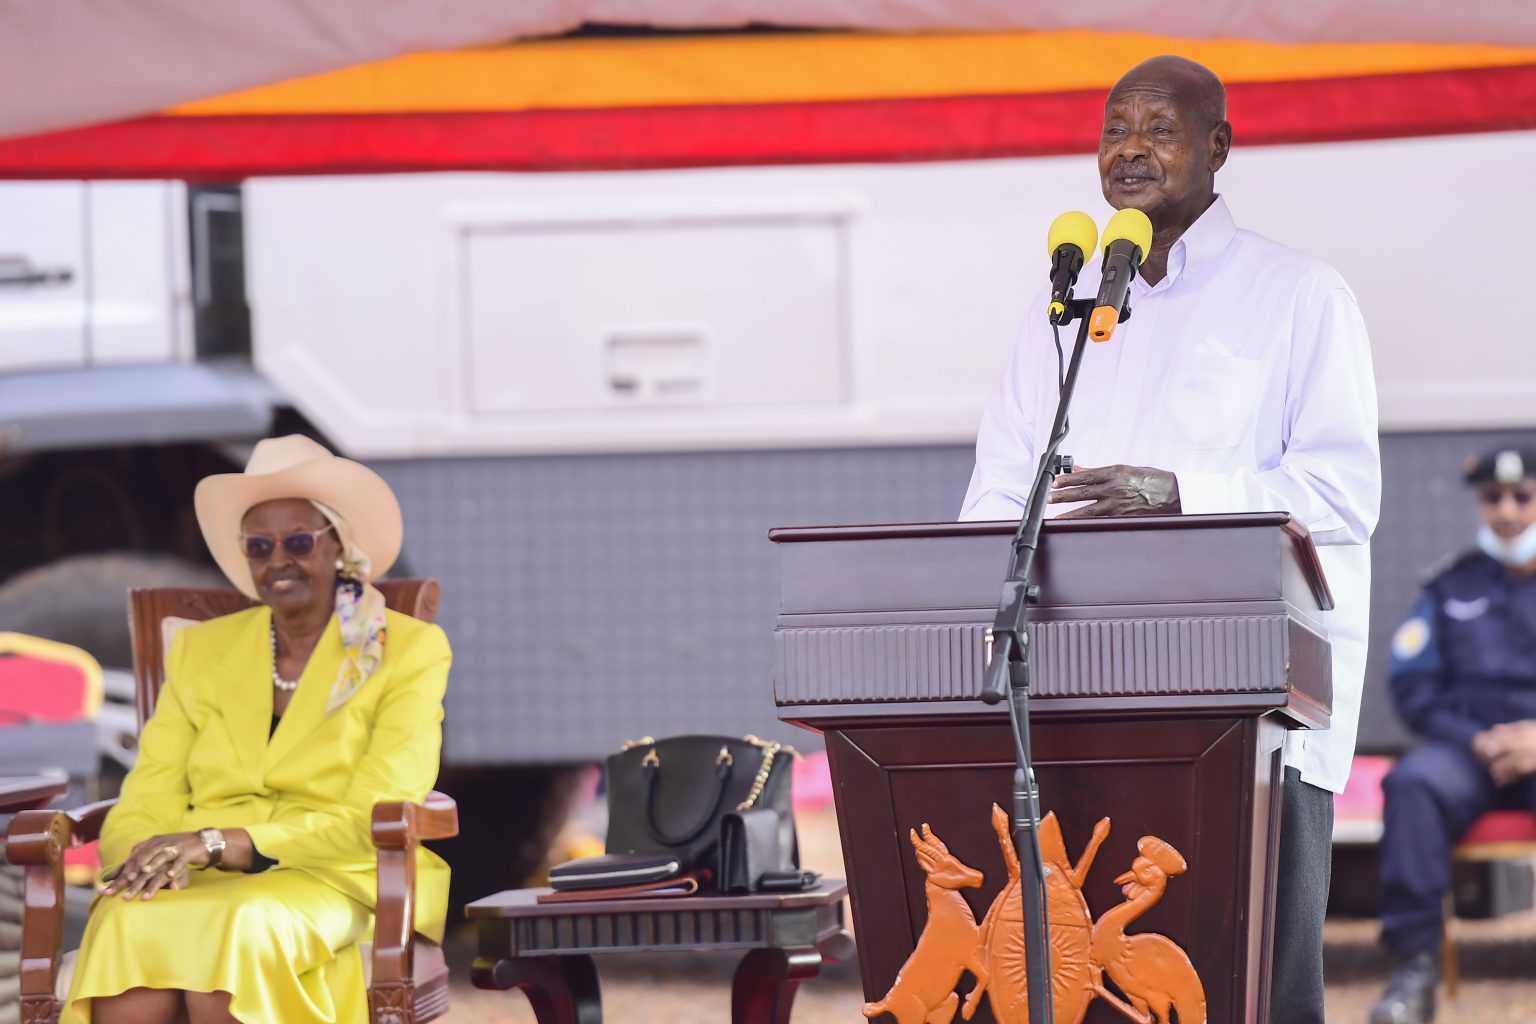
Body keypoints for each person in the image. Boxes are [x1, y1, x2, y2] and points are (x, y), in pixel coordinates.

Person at [960, 55, 1381, 1024]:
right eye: (1115, 129)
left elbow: (1342, 492)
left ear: (1218, 147)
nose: (1130, 149)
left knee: (1249, 988)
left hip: (1255, 707)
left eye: (1159, 128)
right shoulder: (1062, 310)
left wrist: (1179, 493)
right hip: (1079, 692)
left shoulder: (1300, 295)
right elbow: (996, 489)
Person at [62, 435, 452, 1024]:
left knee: (239, 928)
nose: (277, 562)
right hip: (202, 872)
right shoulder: (202, 650)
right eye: (258, 546)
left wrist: (224, 842)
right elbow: (150, 788)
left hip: (337, 873)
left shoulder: (406, 650)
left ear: (341, 547)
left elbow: (378, 808)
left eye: (298, 542)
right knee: (126, 918)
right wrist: (143, 856)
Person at [1370, 444, 1536, 1024]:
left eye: (1523, 495)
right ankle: (1414, 974)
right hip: (1470, 754)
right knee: (1412, 782)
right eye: (1493, 497)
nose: (1508, 509)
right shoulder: (1449, 586)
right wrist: (1479, 741)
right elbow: (1414, 689)